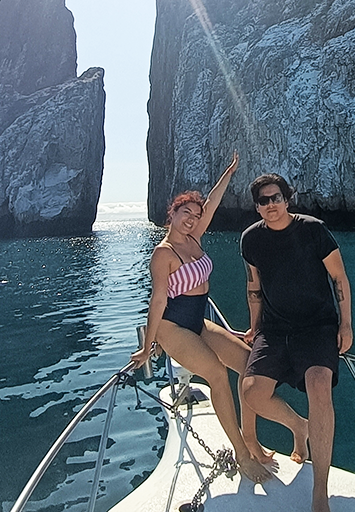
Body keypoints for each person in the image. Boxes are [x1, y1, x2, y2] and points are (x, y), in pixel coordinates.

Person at [130, 154, 304, 484]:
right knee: (217, 375)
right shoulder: (164, 253)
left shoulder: (194, 238)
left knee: (249, 365)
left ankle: (250, 438)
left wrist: (230, 170)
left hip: (197, 321)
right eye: (186, 213)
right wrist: (149, 344)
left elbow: (211, 201)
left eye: (196, 216)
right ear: (173, 213)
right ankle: (241, 455)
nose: (192, 219)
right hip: (173, 327)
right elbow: (157, 301)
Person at [240, 174, 353, 512]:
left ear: (287, 199)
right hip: (275, 329)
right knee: (252, 392)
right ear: (257, 206)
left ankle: (320, 491)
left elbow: (339, 277)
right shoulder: (250, 240)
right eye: (263, 200)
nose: (270, 205)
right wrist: (253, 327)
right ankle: (298, 426)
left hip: (317, 326)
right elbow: (254, 287)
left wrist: (345, 324)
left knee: (319, 386)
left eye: (276, 198)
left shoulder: (313, 230)